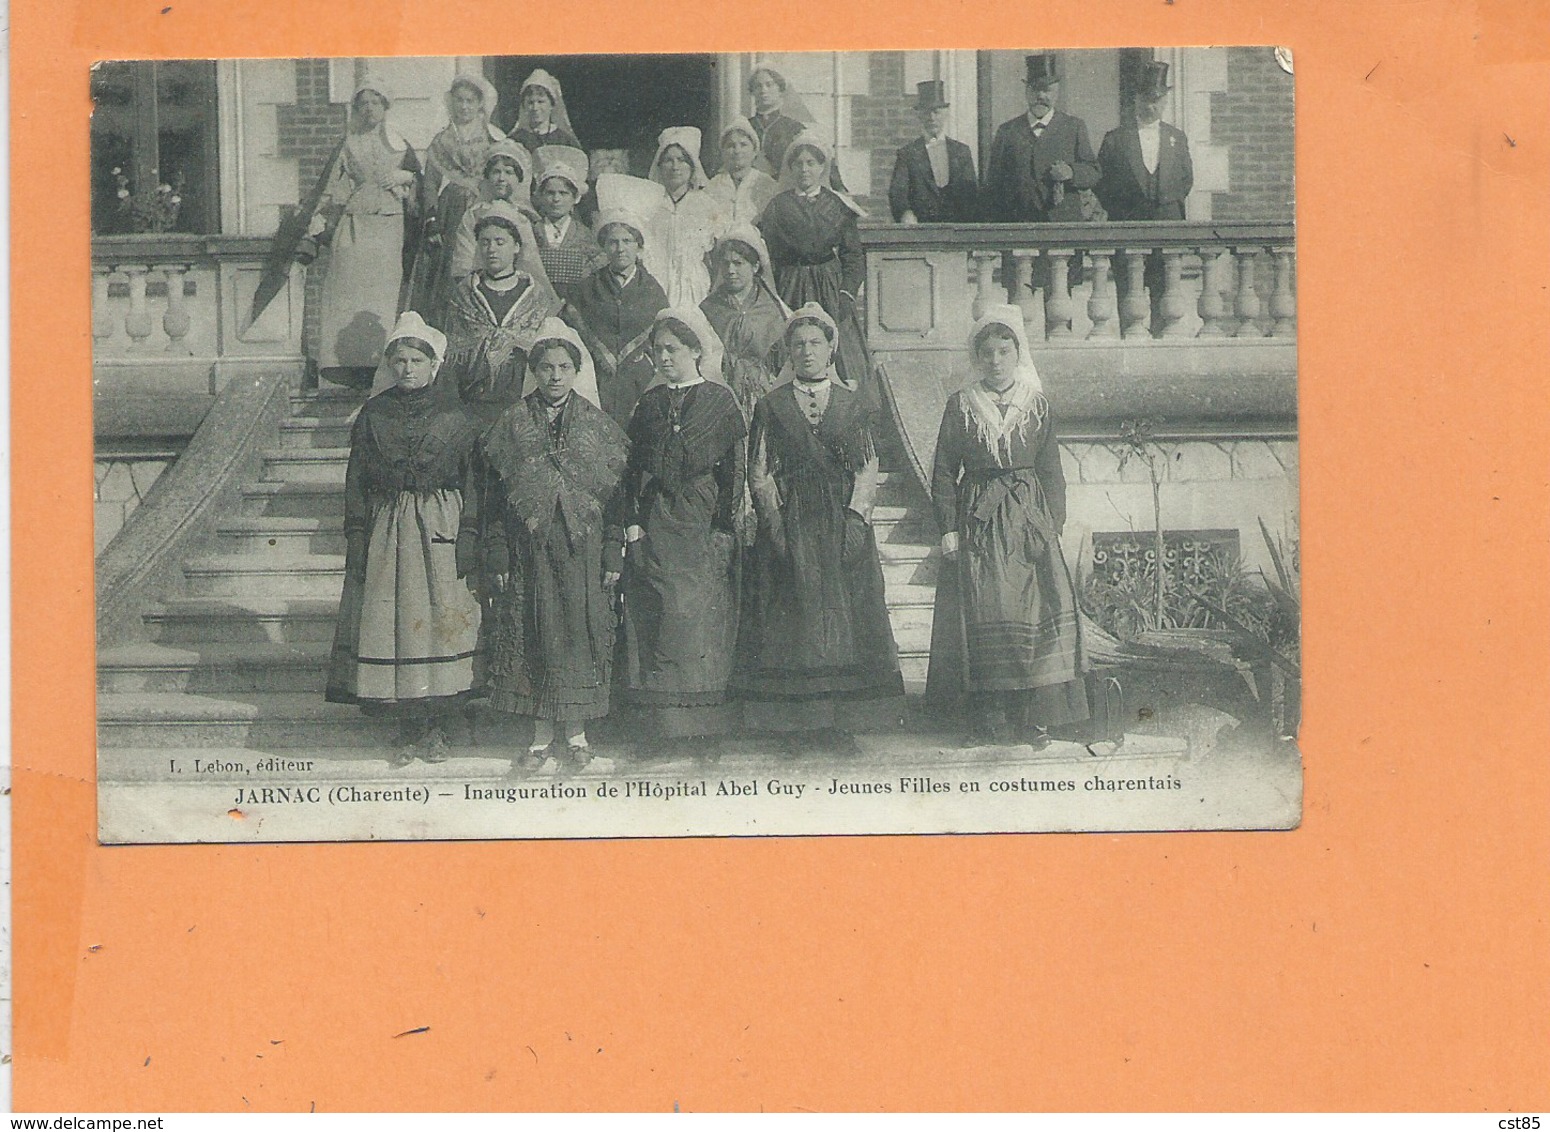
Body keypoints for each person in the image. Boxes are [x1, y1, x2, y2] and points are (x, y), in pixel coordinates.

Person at [732, 303, 903, 756]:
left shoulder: (852, 405)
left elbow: (867, 469)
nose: (807, 351)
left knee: (844, 618)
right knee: (793, 619)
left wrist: (855, 520)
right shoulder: (771, 406)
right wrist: (775, 526)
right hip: (793, 521)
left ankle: (838, 722)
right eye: (798, 344)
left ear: (831, 348)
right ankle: (796, 721)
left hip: (839, 521)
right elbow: (760, 472)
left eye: (816, 343)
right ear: (788, 350)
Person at [923, 304, 1089, 748]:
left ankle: (1036, 716)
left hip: (1029, 521)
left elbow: (1052, 470)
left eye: (1003, 351)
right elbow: (943, 471)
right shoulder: (961, 405)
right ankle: (990, 715)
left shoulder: (1036, 406)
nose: (995, 361)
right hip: (980, 520)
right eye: (987, 353)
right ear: (976, 358)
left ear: (1018, 354)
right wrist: (948, 529)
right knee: (987, 611)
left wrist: (1053, 522)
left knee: (1039, 612)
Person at [325, 312, 483, 763]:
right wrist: (357, 533)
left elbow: (474, 481)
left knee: (440, 619)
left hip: (442, 524)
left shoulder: (457, 417)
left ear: (434, 366)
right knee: (398, 622)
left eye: (417, 360)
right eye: (400, 360)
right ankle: (409, 726)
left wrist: (468, 532)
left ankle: (441, 723)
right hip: (390, 527)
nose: (408, 368)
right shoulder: (373, 416)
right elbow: (356, 479)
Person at [477, 318, 629, 773]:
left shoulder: (598, 427)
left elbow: (616, 497)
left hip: (582, 548)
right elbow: (496, 499)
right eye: (546, 367)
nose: (555, 376)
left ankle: (578, 734)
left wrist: (612, 550)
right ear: (535, 371)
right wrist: (499, 550)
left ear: (576, 371)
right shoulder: (512, 424)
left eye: (564, 367)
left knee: (579, 634)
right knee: (533, 632)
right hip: (530, 548)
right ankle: (541, 737)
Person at [620, 308, 747, 750]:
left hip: (702, 518)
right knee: (658, 614)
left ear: (696, 350)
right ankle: (662, 730)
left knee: (699, 620)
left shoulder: (719, 401)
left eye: (672, 349)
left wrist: (724, 528)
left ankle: (704, 729)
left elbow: (733, 471)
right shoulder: (650, 404)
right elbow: (631, 469)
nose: (663, 358)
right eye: (657, 351)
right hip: (657, 519)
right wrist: (633, 523)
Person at [304, 77, 422, 389]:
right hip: (355, 226)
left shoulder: (400, 145)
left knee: (382, 295)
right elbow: (329, 188)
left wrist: (406, 176)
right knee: (348, 294)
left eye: (375, 102)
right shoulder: (348, 144)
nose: (369, 109)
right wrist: (313, 217)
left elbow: (422, 190)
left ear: (385, 107)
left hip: (388, 227)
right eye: (364, 104)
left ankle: (381, 365)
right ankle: (347, 365)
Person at [757, 132, 873, 402]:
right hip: (790, 285)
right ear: (791, 168)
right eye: (799, 163)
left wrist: (846, 293)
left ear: (822, 167)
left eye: (811, 163)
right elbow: (768, 256)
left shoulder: (838, 207)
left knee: (839, 353)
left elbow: (853, 256)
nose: (805, 169)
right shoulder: (777, 207)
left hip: (829, 287)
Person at [440, 201, 563, 424]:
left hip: (522, 398)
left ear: (516, 246)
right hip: (473, 398)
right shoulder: (465, 292)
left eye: (500, 242)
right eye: (485, 242)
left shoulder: (535, 294)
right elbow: (453, 351)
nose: (492, 249)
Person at [563, 176, 670, 428]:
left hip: (638, 379)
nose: (620, 249)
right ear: (604, 247)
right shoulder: (587, 287)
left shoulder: (653, 289)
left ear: (638, 247)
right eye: (613, 242)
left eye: (627, 241)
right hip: (595, 378)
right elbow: (572, 331)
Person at [1097, 62, 1194, 335]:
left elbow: (1186, 180)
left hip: (1167, 229)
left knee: (1165, 295)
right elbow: (1102, 185)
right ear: (1135, 99)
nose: (1151, 106)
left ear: (1164, 101)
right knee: (1130, 296)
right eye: (1145, 99)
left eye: (1157, 100)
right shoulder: (1115, 139)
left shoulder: (1177, 138)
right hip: (1128, 227)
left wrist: (1163, 203)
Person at [414, 74, 507, 326]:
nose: (464, 106)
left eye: (469, 101)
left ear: (480, 104)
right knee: (452, 269)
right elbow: (431, 183)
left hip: (486, 206)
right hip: (452, 211)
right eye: (459, 101)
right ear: (451, 103)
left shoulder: (494, 137)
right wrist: (432, 219)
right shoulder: (441, 141)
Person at [984, 54, 1099, 223]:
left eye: (1047, 90)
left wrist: (1071, 172)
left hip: (1063, 225)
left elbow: (1094, 172)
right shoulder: (1007, 132)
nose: (1041, 96)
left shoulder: (1073, 127)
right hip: (1018, 226)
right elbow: (993, 187)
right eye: (1035, 89)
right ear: (1026, 91)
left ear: (1057, 92)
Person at [440, 138, 536, 325]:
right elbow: (464, 260)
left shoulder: (526, 217)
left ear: (519, 178)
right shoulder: (474, 214)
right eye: (496, 172)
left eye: (508, 172)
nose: (501, 178)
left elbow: (531, 261)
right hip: (479, 290)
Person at [699, 224, 787, 421]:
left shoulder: (772, 310)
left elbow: (783, 363)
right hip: (719, 397)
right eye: (725, 263)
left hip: (763, 396)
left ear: (755, 267)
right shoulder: (709, 308)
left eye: (738, 263)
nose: (730, 270)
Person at [646, 126, 725, 310]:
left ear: (692, 166)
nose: (675, 167)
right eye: (668, 160)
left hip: (694, 287)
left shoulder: (707, 205)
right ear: (659, 165)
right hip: (655, 285)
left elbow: (719, 254)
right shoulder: (649, 203)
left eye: (682, 160)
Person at [888, 80, 979, 224]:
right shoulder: (908, 154)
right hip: (921, 231)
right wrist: (905, 213)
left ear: (945, 114)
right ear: (919, 115)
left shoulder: (961, 152)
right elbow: (898, 193)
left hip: (957, 229)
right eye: (926, 113)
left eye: (936, 112)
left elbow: (971, 194)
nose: (931, 118)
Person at [746, 66, 846, 191]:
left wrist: (840, 189)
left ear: (780, 89)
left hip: (784, 193)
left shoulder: (794, 128)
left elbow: (822, 158)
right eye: (758, 86)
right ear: (752, 91)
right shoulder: (745, 127)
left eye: (769, 84)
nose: (763, 90)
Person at [530, 144, 606, 301]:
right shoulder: (530, 232)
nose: (556, 199)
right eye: (550, 193)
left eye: (563, 193)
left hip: (577, 303)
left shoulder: (585, 234)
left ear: (575, 198)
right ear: (541, 196)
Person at [705, 117, 778, 225]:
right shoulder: (712, 187)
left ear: (754, 151)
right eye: (731, 146)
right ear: (723, 152)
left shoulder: (768, 185)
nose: (737, 151)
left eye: (743, 145)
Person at [507, 68, 583, 155]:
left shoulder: (565, 140)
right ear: (524, 106)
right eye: (530, 102)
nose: (535, 108)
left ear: (551, 104)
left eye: (540, 102)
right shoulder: (515, 140)